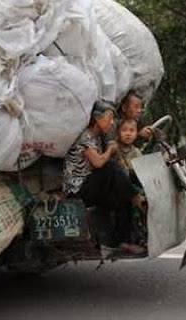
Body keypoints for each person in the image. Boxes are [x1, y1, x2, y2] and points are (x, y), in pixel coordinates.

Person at [63, 100, 146, 256]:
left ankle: (122, 242)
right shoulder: (85, 137)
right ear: (97, 118)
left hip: (92, 187)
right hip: (78, 190)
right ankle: (137, 199)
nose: (111, 122)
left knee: (121, 198)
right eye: (109, 118)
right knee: (109, 166)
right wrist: (110, 150)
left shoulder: (99, 137)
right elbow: (98, 162)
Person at [116, 118, 148, 246]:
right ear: (118, 132)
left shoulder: (136, 152)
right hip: (121, 187)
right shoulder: (115, 149)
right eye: (124, 130)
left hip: (134, 184)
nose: (128, 133)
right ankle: (136, 234)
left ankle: (145, 230)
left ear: (136, 133)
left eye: (131, 130)